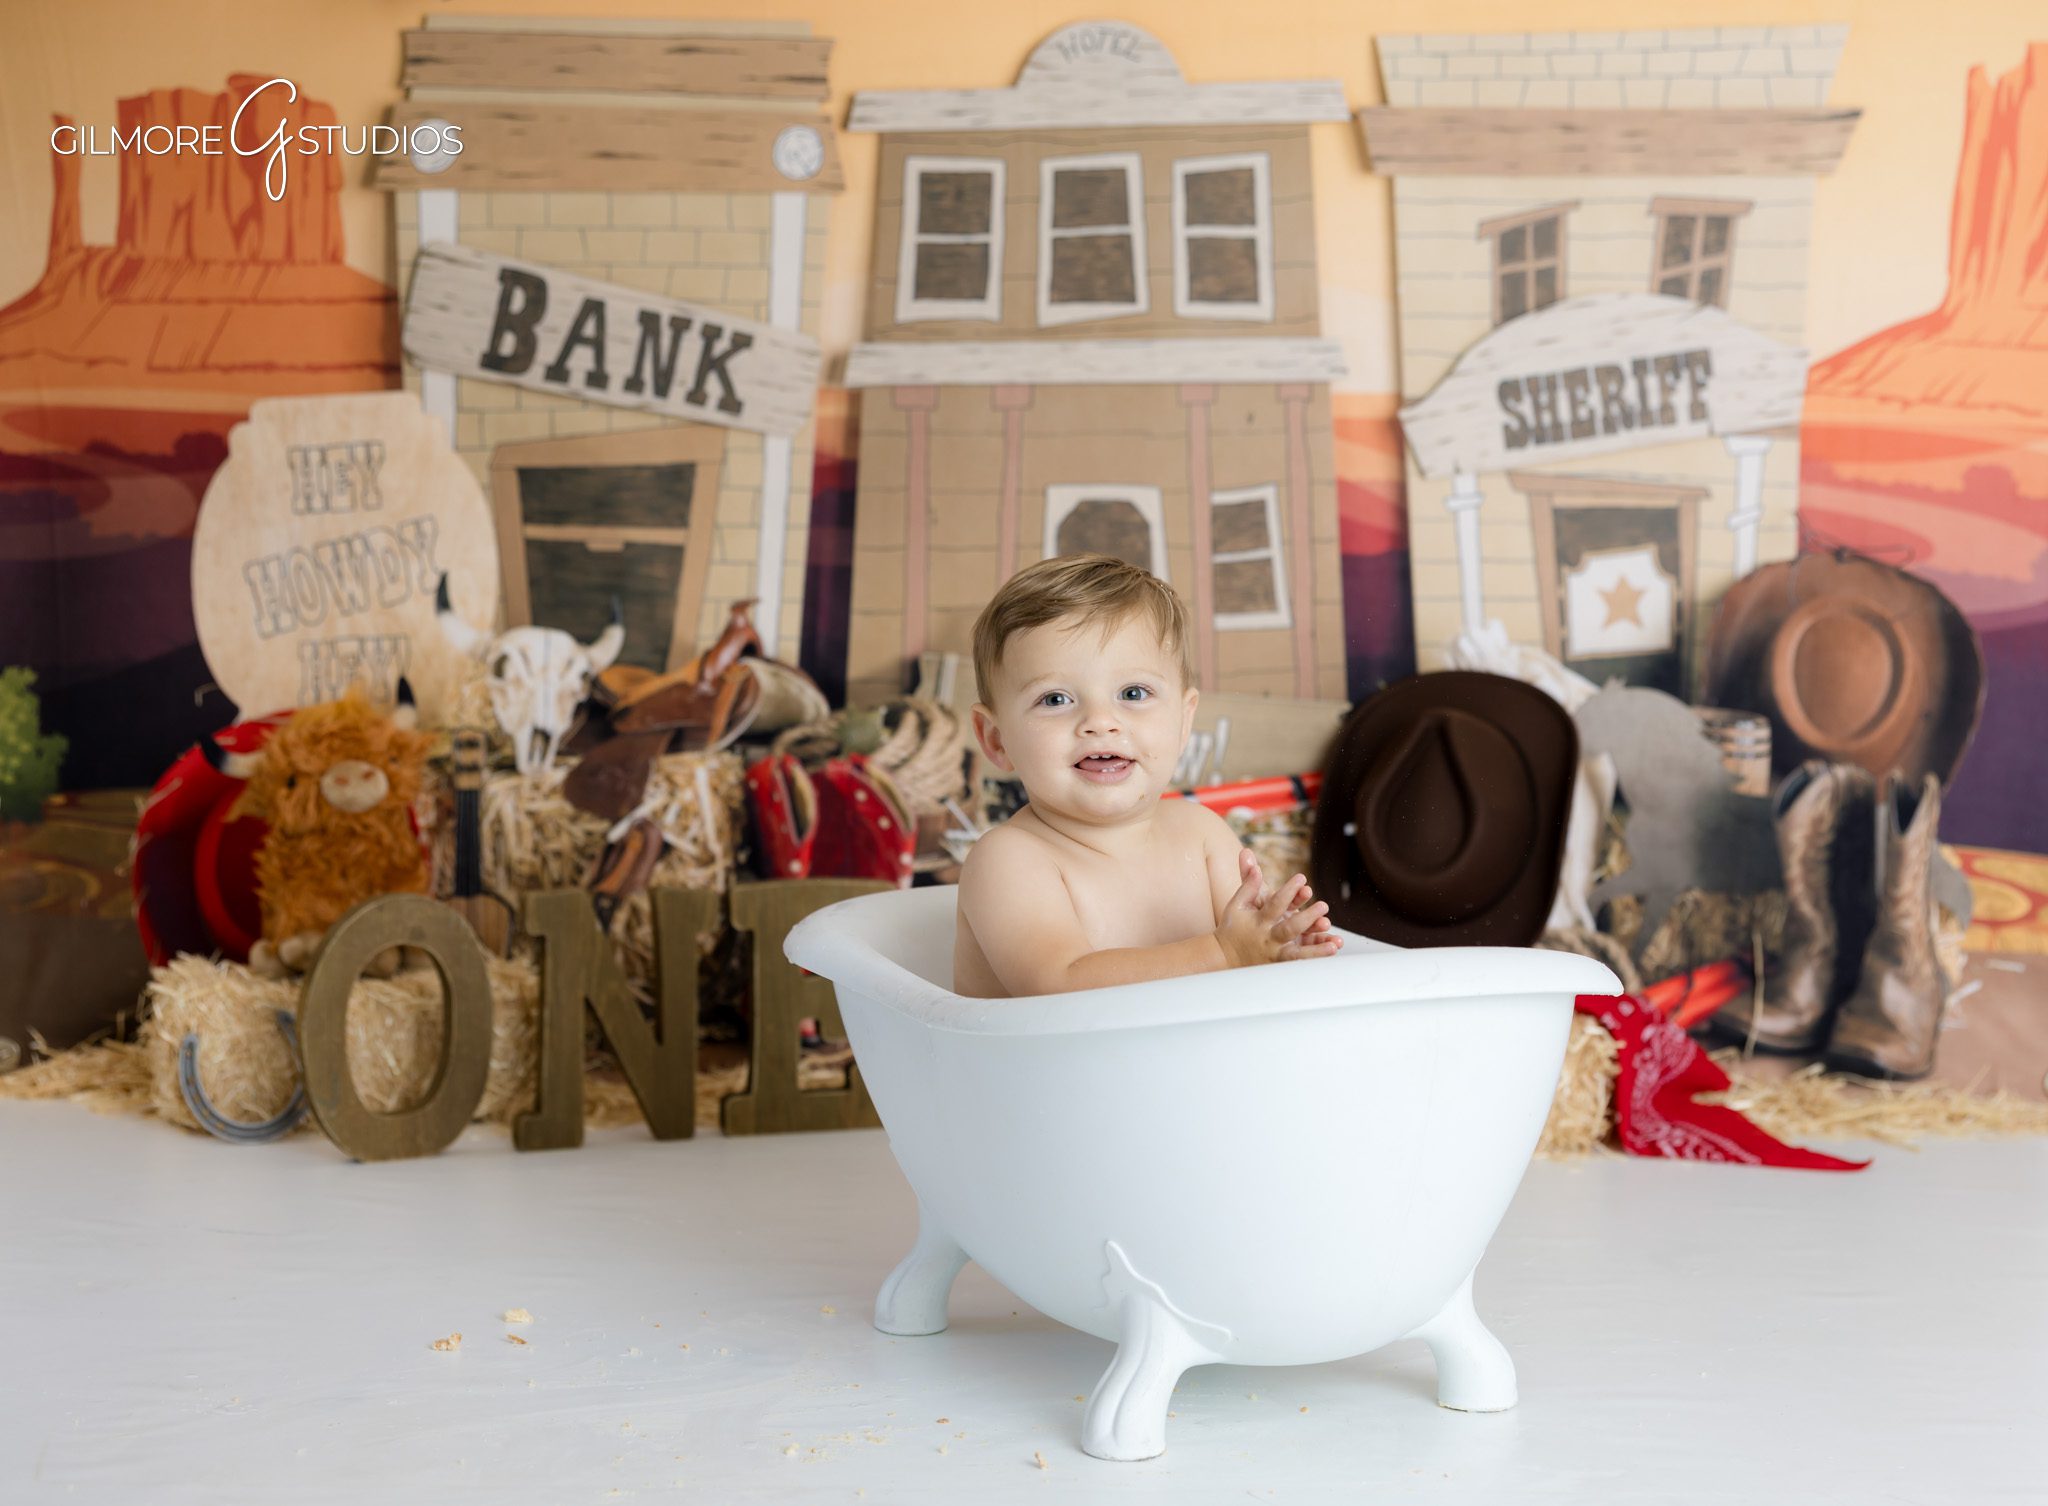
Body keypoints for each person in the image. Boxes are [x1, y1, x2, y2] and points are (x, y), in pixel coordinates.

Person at [955, 553, 1342, 998]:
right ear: (996, 739)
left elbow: (1251, 949)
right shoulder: (1008, 860)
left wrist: (1281, 947)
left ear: (1183, 722)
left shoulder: (1202, 836)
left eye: (1133, 693)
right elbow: (1057, 985)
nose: (1100, 721)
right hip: (1040, 1069)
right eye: (1055, 699)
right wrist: (1226, 953)